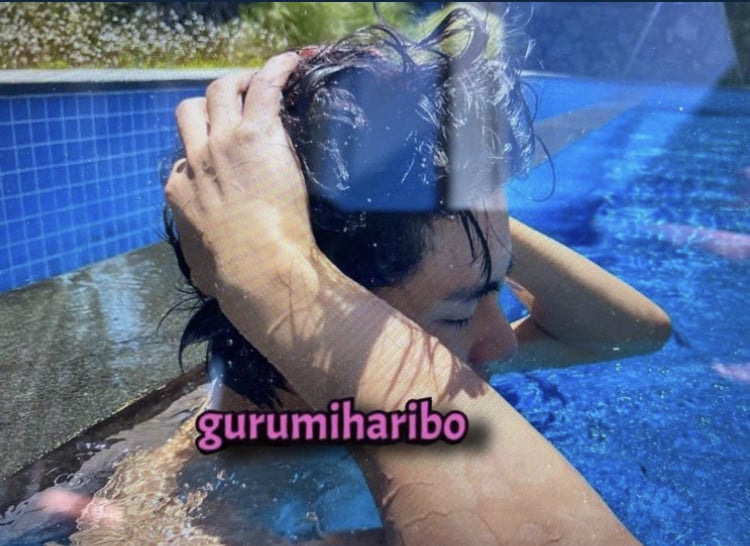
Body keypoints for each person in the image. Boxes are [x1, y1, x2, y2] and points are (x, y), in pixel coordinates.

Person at [79, 7, 671, 545]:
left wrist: (457, 209)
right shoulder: (198, 519)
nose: (503, 341)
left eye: (495, 290)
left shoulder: (419, 371)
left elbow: (631, 332)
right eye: (461, 310)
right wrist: (279, 266)